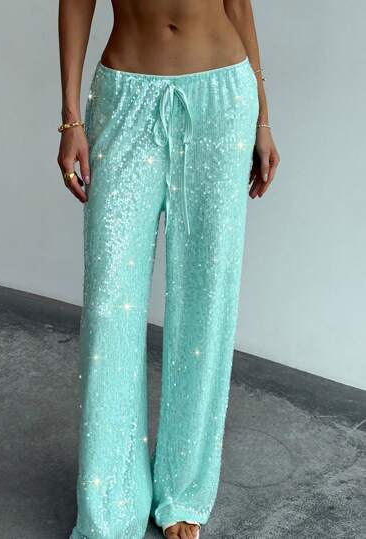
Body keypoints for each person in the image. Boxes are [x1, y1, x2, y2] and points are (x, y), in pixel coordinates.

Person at [57, 1, 280, 538]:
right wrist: (71, 118)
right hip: (126, 95)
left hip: (222, 96)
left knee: (207, 298)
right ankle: (110, 505)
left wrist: (263, 118)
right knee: (110, 306)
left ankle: (184, 489)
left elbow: (238, 5)